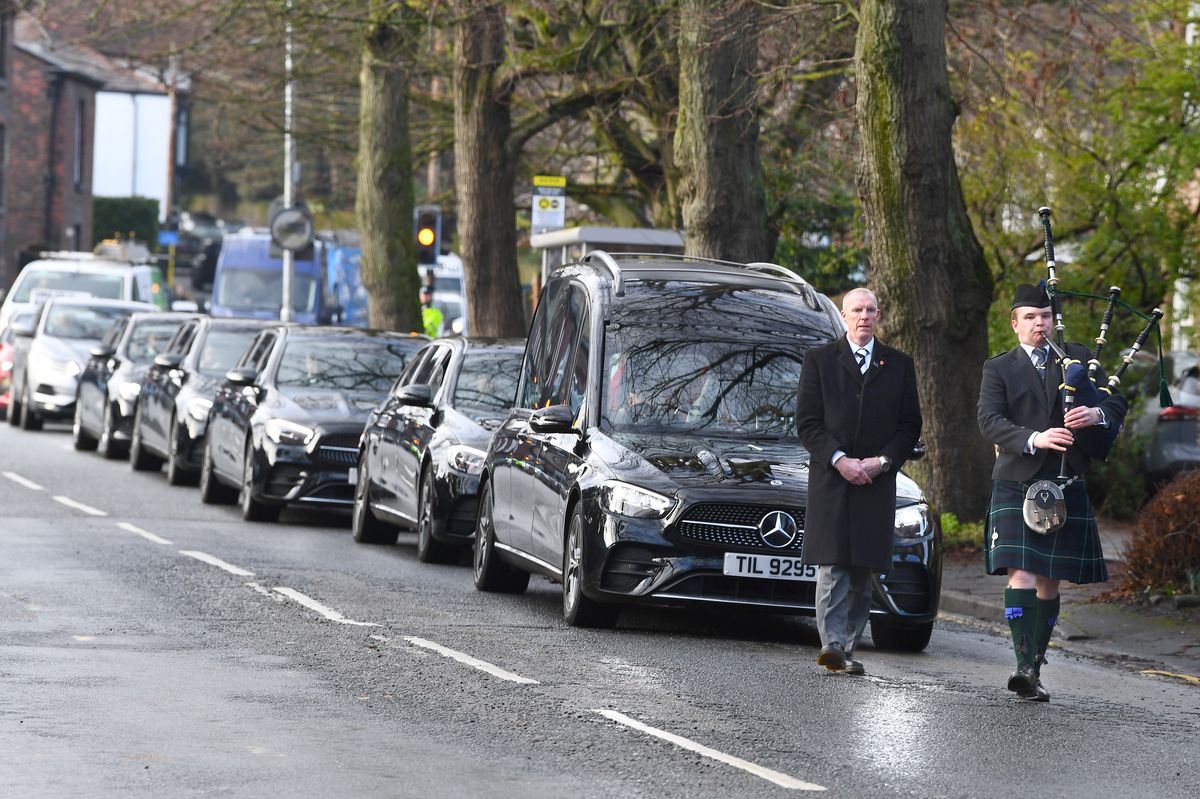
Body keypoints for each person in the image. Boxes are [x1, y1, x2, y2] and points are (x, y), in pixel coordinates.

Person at [977, 283, 1127, 702]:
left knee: (1049, 581)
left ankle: (1034, 666)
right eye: (1029, 317)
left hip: (1065, 483)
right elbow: (989, 421)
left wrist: (1096, 412)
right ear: (1015, 323)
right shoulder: (1000, 368)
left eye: (1044, 316)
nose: (1038, 323)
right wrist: (1035, 438)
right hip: (1017, 478)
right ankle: (1023, 663)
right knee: (1020, 574)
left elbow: (1118, 405)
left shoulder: (1077, 357)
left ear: (1052, 319)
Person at [796, 287, 922, 676]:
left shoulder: (899, 365)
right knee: (833, 566)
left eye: (870, 310)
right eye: (856, 310)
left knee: (862, 569)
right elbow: (808, 423)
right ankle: (831, 644)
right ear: (844, 316)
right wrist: (839, 459)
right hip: (832, 479)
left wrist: (882, 462)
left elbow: (909, 425)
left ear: (879, 316)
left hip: (875, 480)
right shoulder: (819, 361)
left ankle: (847, 647)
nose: (864, 316)